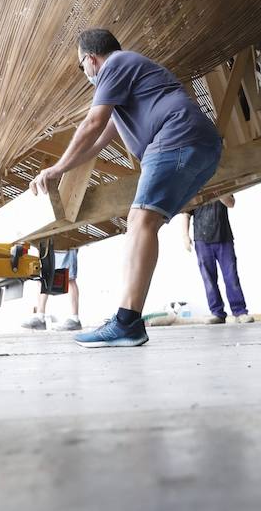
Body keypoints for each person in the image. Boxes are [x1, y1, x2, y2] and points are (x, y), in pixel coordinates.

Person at [30, 30, 222, 347]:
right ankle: (127, 319)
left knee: (140, 220)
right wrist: (65, 168)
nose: (86, 74)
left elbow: (91, 123)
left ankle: (127, 321)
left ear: (91, 59)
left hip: (176, 137)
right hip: (200, 147)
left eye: (82, 67)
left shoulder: (115, 64)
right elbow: (99, 139)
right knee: (145, 221)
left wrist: (56, 167)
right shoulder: (128, 82)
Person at [180, 194, 253, 324]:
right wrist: (185, 235)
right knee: (208, 279)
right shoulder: (195, 185)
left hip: (224, 237)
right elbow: (186, 213)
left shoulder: (223, 183)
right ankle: (217, 313)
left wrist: (219, 192)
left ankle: (240, 311)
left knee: (231, 277)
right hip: (201, 239)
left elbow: (231, 203)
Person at [21, 248, 82, 331]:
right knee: (43, 278)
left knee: (70, 278)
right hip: (50, 243)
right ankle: (40, 317)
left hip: (66, 242)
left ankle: (75, 319)